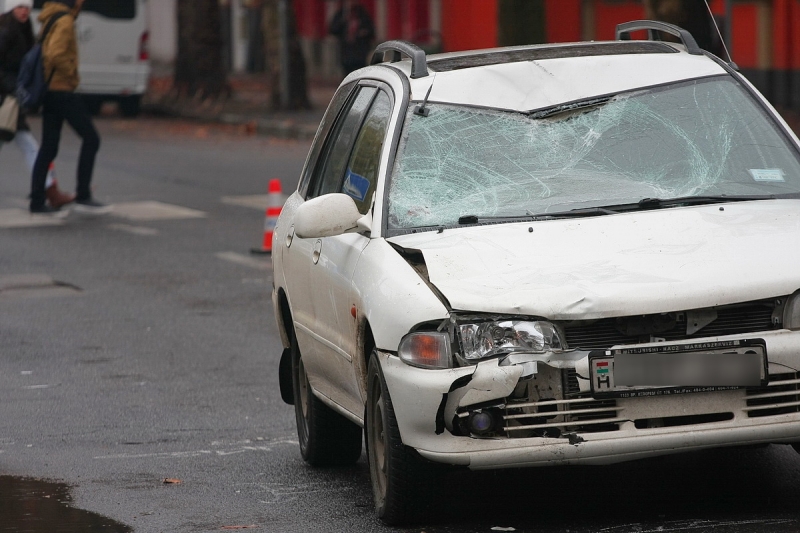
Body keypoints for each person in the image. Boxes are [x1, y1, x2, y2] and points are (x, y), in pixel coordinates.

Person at [30, 0, 108, 214]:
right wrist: (71, 74)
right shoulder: (64, 20)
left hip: (49, 91)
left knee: (49, 146)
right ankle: (83, 194)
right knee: (91, 138)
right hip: (62, 90)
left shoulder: (51, 16)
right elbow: (55, 54)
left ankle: (37, 200)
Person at [0, 0, 73, 208]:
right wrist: (15, 88)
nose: (24, 11)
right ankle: (51, 192)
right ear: (10, 9)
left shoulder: (23, 31)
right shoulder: (6, 32)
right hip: (6, 101)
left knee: (30, 146)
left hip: (11, 102)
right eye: (19, 7)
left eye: (26, 7)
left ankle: (51, 191)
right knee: (30, 147)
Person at [329, 1, 375, 76]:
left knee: (359, 74)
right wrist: (343, 21)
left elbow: (371, 31)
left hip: (360, 52)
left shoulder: (362, 14)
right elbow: (333, 29)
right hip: (346, 52)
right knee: (347, 74)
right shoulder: (342, 14)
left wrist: (363, 33)